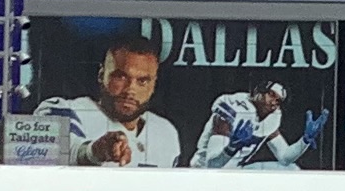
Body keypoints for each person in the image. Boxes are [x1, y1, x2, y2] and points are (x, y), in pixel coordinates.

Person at [36, 42, 181, 169]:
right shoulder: (61, 109)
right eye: (121, 77)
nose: (130, 89)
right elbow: (56, 154)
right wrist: (96, 151)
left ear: (153, 85)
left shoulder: (166, 132)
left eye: (142, 81)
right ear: (101, 75)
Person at [191, 81, 323, 169]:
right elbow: (212, 165)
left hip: (235, 171)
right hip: (204, 172)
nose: (274, 103)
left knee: (292, 168)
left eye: (278, 101)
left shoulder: (271, 119)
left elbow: (284, 158)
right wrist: (232, 147)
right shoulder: (233, 107)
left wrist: (304, 141)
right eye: (271, 95)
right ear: (259, 92)